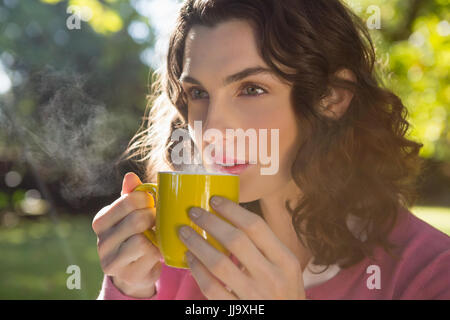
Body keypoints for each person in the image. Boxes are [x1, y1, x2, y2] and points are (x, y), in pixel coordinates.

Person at [93, 0, 450, 300]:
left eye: (251, 89)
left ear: (332, 97)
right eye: (198, 93)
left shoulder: (430, 273)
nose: (211, 129)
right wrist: (130, 288)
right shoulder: (175, 257)